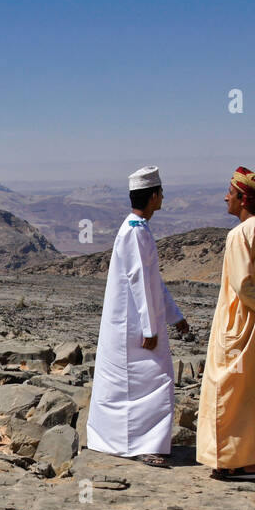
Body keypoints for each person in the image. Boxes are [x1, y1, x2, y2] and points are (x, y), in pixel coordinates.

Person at [86, 165, 192, 468]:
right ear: (154, 195)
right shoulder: (134, 231)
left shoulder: (138, 229)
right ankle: (140, 445)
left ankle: (131, 442)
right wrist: (149, 327)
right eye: (161, 193)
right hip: (133, 327)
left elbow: (153, 282)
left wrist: (175, 316)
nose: (163, 198)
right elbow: (138, 280)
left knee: (140, 383)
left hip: (137, 323)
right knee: (155, 381)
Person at [196, 167, 255, 480]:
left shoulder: (241, 234)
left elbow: (243, 285)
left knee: (231, 391)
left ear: (243, 199)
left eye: (230, 193)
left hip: (245, 326)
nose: (226, 197)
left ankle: (236, 463)